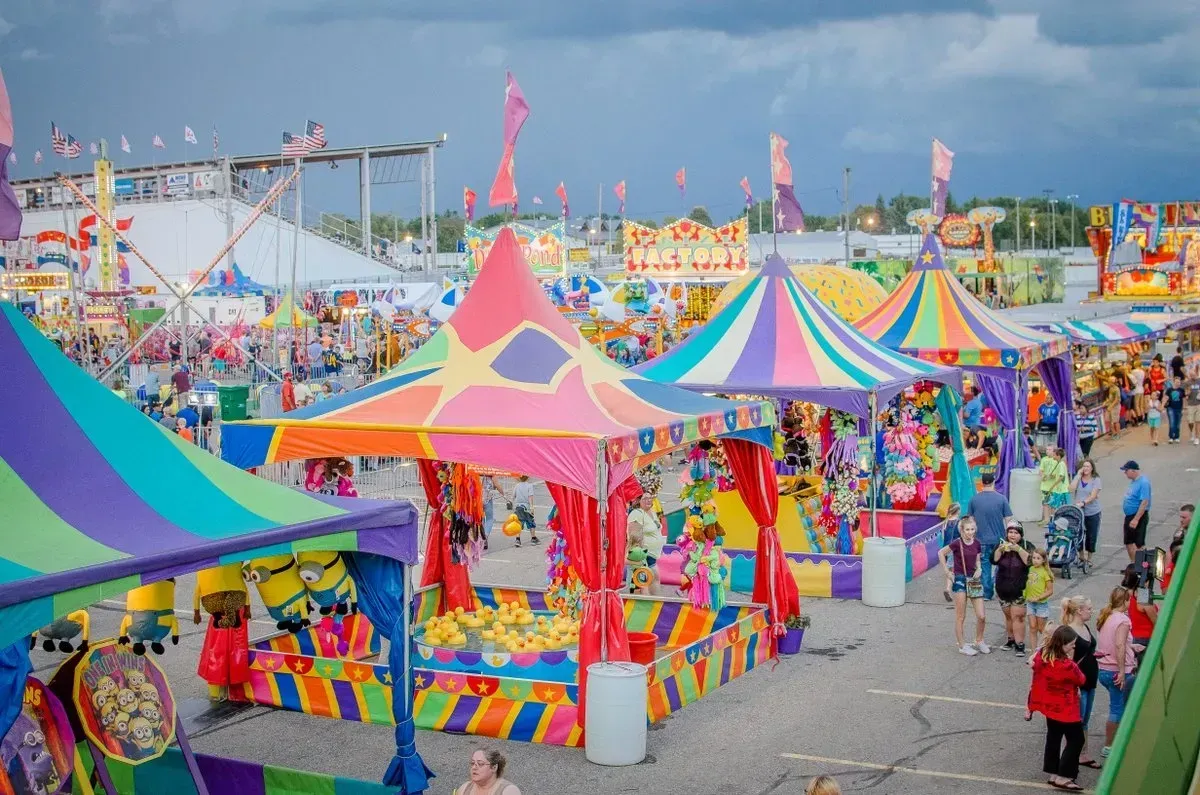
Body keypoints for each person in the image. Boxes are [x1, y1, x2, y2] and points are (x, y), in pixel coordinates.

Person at [1027, 625, 1086, 791]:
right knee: (1076, 739)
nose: (1073, 646)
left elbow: (1033, 663)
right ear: (1062, 644)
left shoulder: (1043, 656)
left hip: (1049, 706)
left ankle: (1052, 771)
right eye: (1071, 644)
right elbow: (1081, 680)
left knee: (1054, 736)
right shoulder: (1068, 666)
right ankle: (1063, 775)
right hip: (1066, 708)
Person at [1096, 587, 1139, 761]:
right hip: (1117, 670)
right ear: (1126, 601)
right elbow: (1119, 645)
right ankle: (1110, 745)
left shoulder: (1107, 616)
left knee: (1117, 705)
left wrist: (1132, 647)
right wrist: (1122, 671)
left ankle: (1115, 742)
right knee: (1117, 708)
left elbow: (1114, 642)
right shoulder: (1123, 620)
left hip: (1104, 668)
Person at [1060, 596, 1102, 770]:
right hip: (1078, 685)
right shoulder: (1070, 632)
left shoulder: (1084, 627)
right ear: (1079, 610)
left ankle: (1083, 754)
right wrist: (1073, 686)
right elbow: (1067, 662)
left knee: (1084, 721)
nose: (1091, 611)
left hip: (1090, 681)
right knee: (1075, 722)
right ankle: (1070, 755)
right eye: (1089, 609)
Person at [938, 516, 989, 656]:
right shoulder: (956, 543)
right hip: (960, 579)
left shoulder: (977, 543)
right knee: (961, 615)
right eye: (967, 529)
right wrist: (947, 572)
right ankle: (962, 645)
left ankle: (979, 640)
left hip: (973, 579)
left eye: (972, 529)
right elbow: (941, 553)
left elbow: (977, 559)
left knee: (981, 615)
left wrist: (979, 568)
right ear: (961, 530)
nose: (970, 532)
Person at [966, 470, 1012, 600]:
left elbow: (970, 520)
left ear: (982, 483)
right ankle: (1000, 588)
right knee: (1001, 564)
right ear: (994, 481)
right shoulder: (1002, 499)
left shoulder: (974, 499)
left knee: (984, 566)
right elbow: (1009, 519)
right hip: (999, 539)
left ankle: (987, 592)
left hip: (981, 539)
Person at [993, 519, 1033, 657]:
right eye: (1010, 532)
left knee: (1018, 617)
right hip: (1002, 587)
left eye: (1016, 533)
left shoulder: (1027, 545)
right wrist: (1000, 549)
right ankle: (1011, 639)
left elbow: (1031, 561)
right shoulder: (1001, 544)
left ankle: (1020, 644)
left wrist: (1018, 549)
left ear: (1021, 534)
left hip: (1020, 588)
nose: (1013, 535)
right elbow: (994, 559)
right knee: (1009, 615)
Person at [1071, 459, 1102, 573]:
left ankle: (1089, 558)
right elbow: (1071, 489)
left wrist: (1084, 502)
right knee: (1078, 534)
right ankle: (1081, 556)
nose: (1086, 468)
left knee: (1091, 535)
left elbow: (1093, 495)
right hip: (1079, 511)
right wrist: (1077, 476)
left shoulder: (1096, 480)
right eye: (1084, 466)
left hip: (1092, 511)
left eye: (1088, 466)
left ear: (1092, 468)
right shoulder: (1079, 478)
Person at [1120, 461, 1151, 563]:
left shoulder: (1144, 483)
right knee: (1128, 541)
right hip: (1129, 515)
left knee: (1139, 543)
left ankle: (1141, 566)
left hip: (1138, 516)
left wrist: (1136, 519)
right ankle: (1133, 565)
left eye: (1126, 470)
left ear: (1133, 470)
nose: (1125, 473)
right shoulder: (1134, 481)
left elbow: (1144, 502)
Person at [1025, 548, 1054, 651]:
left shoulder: (1045, 573)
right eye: (1033, 558)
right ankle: (1034, 652)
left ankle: (1049, 647)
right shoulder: (1030, 569)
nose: (1035, 560)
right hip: (1030, 603)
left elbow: (1050, 591)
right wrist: (1025, 595)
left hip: (1041, 604)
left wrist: (1038, 597)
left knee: (1042, 629)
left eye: (1038, 558)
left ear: (1043, 560)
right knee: (1032, 627)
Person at [455, 748, 520, 795]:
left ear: (494, 768)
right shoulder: (464, 789)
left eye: (480, 764)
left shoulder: (509, 791)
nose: (474, 767)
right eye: (472, 763)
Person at [1039, 447, 1070, 525]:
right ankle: (1053, 521)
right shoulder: (1059, 463)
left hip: (1062, 490)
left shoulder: (1061, 464)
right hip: (1059, 489)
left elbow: (1061, 476)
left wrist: (1053, 485)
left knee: (1058, 507)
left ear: (1058, 456)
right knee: (1053, 505)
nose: (1053, 456)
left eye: (1054, 455)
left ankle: (1060, 522)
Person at [510, 475, 540, 547]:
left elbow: (513, 496)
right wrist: (532, 508)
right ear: (528, 477)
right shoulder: (529, 486)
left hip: (518, 507)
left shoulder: (517, 486)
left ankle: (518, 539)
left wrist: (510, 502)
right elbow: (530, 497)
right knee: (531, 522)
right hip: (527, 508)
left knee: (519, 523)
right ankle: (533, 538)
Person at [1074, 391, 1097, 456]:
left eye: (1082, 408)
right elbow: (1075, 428)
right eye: (1080, 408)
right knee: (1082, 454)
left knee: (1084, 453)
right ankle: (1087, 463)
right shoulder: (1077, 417)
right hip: (1080, 438)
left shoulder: (1091, 417)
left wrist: (1087, 428)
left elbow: (1095, 428)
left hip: (1088, 437)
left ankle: (1087, 464)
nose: (1080, 410)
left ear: (1086, 409)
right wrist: (1078, 429)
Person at [480, 474, 499, 551]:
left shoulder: (476, 471)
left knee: (481, 519)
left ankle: (481, 537)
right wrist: (503, 492)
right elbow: (497, 484)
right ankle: (485, 537)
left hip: (478, 500)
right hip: (487, 500)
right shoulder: (491, 473)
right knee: (490, 519)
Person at [1164, 375, 1186, 444]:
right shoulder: (1169, 390)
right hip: (1171, 408)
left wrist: (1184, 408)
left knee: (1178, 423)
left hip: (1179, 408)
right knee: (1172, 423)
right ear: (1173, 382)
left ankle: (1177, 437)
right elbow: (1165, 398)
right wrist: (1162, 406)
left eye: (1179, 382)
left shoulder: (1181, 390)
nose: (1178, 383)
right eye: (1176, 382)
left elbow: (1184, 399)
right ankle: (1171, 437)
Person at [1185, 364, 1200, 445]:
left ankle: (1197, 438)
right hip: (1190, 404)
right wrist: (1188, 393)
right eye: (1191, 375)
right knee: (1190, 422)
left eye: (1193, 374)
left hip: (1198, 404)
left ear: (1196, 374)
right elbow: (1186, 395)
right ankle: (1192, 433)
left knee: (1198, 421)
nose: (1192, 376)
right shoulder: (1188, 383)